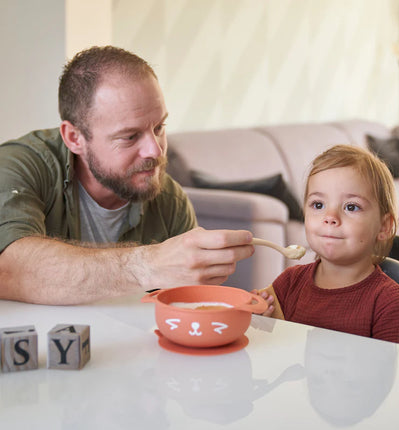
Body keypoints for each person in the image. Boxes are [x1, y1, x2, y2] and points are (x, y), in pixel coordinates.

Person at [0, 46, 254, 305]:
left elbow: (185, 310)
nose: (155, 150)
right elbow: (8, 268)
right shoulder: (18, 167)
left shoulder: (169, 198)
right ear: (74, 138)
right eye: (130, 136)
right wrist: (148, 265)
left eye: (159, 127)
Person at [254, 144, 399, 349]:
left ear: (384, 226)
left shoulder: (389, 303)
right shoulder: (288, 284)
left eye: (351, 207)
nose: (330, 217)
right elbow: (273, 353)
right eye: (318, 205)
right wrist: (260, 323)